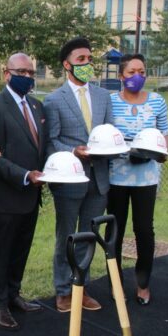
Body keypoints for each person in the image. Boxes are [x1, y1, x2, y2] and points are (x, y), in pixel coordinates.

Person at [43, 37, 113, 313]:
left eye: (89, 59)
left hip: (99, 179)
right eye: (80, 59)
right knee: (66, 237)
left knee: (88, 235)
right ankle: (62, 291)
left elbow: (110, 133)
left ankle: (79, 287)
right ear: (67, 64)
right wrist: (74, 152)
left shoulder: (103, 96)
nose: (86, 64)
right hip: (70, 179)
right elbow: (52, 141)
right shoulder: (53, 99)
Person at [0, 52, 47, 331]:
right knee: (4, 250)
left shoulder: (36, 106)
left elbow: (41, 146)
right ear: (7, 74)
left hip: (31, 195)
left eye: (31, 72)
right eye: (21, 72)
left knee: (21, 248)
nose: (27, 77)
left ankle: (13, 294)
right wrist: (24, 176)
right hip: (6, 195)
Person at [105, 53, 168, 306]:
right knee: (115, 231)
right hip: (116, 178)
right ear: (121, 75)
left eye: (141, 72)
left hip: (146, 178)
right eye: (131, 72)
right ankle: (115, 283)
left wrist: (161, 153)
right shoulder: (110, 102)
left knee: (144, 230)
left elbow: (165, 135)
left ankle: (143, 283)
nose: (137, 76)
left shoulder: (157, 101)